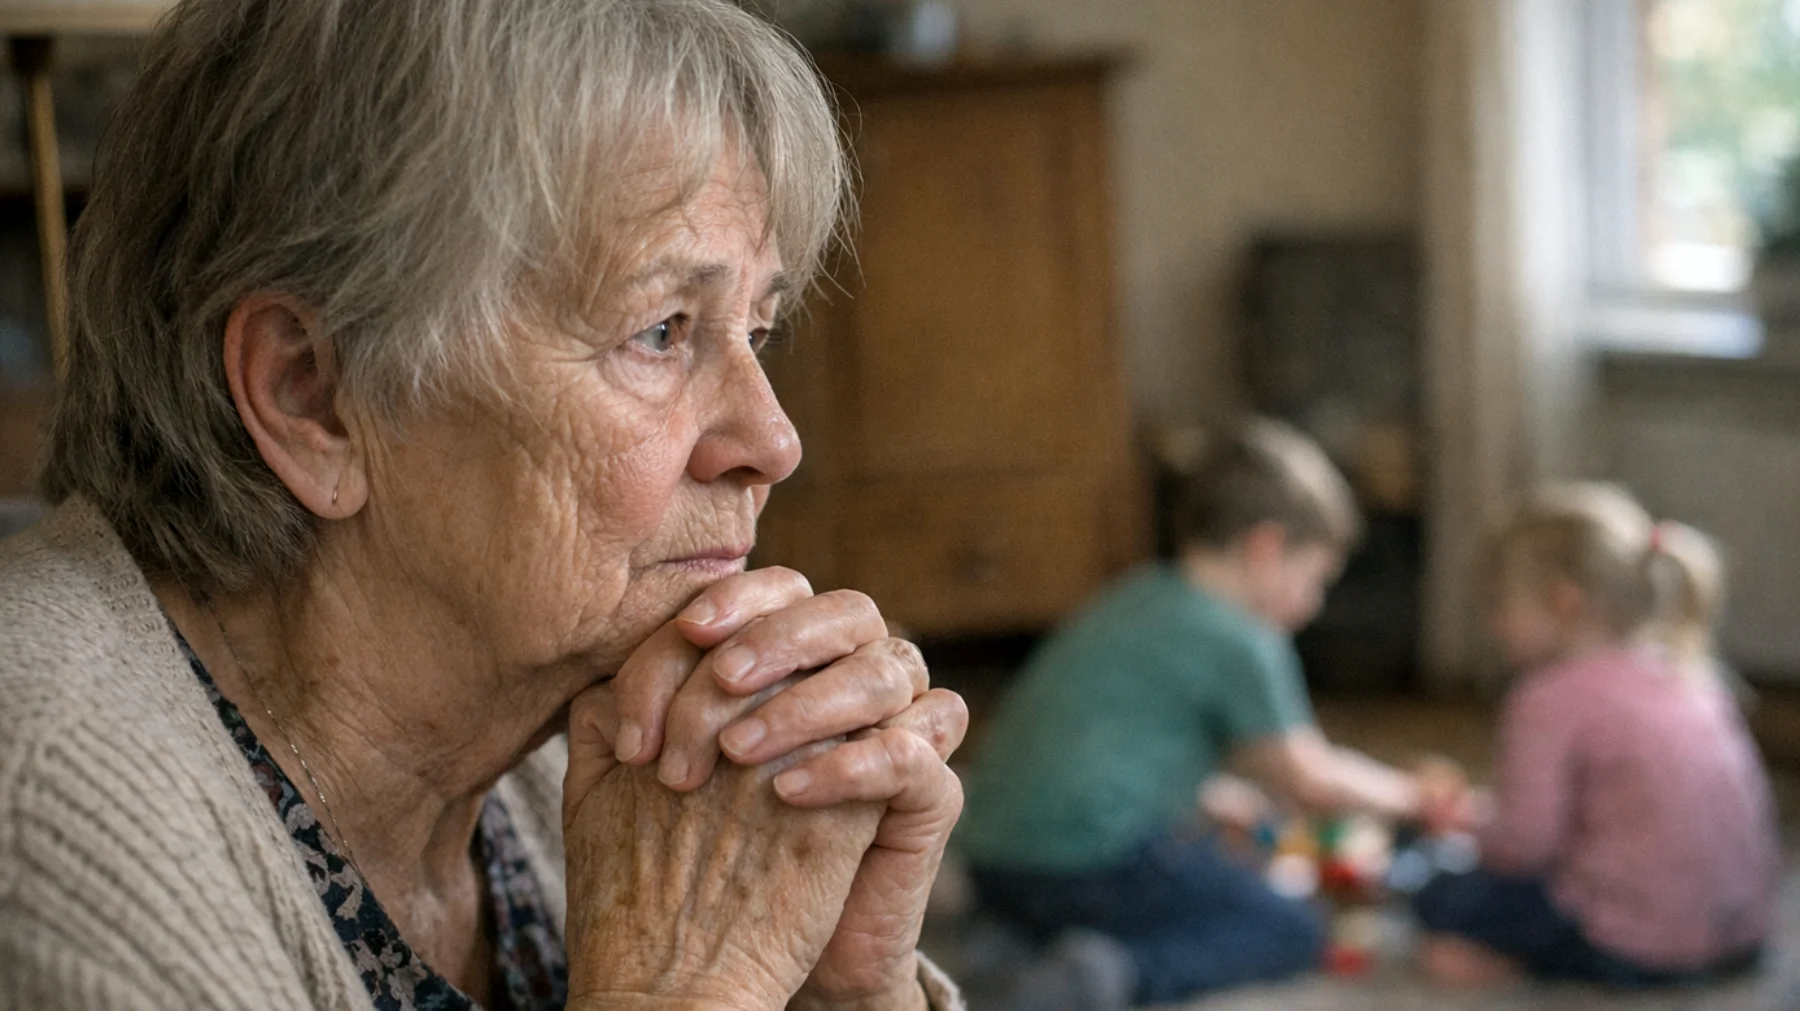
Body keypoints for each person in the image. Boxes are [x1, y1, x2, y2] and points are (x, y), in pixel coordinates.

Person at [0, 2, 970, 1009]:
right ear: (315, 397)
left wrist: (842, 996)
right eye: (661, 331)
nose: (773, 444)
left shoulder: (586, 748)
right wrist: (684, 992)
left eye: (756, 332)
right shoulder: (50, 830)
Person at [955, 418, 1426, 1007]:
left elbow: (1104, 745)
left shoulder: (1136, 595)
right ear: (1267, 547)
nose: (1315, 604)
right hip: (1088, 867)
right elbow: (1309, 777)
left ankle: (1017, 936)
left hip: (992, 862)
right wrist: (1416, 797)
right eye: (1317, 578)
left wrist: (1205, 797)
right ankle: (1113, 969)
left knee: (1194, 857)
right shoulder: (1243, 638)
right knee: (1288, 928)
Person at [1414, 483, 1779, 988]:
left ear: (1563, 602)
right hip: (1743, 937)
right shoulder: (1688, 670)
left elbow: (1523, 846)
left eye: (1498, 606)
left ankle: (1526, 965)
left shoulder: (1548, 697)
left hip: (1638, 946)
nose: (1492, 626)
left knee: (1439, 889)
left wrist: (1471, 827)